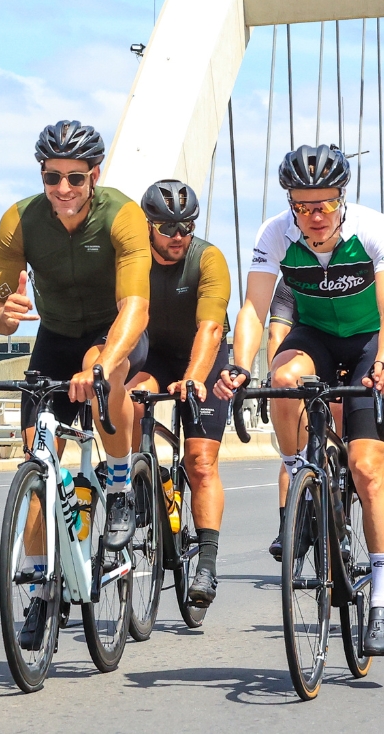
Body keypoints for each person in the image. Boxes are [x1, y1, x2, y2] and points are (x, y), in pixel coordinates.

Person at [214, 144, 384, 656]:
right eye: (303, 206)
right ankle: (300, 472)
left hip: (369, 343)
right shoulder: (275, 234)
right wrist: (238, 364)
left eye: (324, 205)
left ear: (342, 199)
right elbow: (254, 308)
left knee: (367, 470)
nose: (314, 217)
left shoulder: (373, 230)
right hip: (315, 336)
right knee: (284, 375)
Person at [0, 121, 151, 562]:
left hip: (111, 331)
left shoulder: (123, 215)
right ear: (41, 174)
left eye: (75, 177)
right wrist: (6, 315)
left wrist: (100, 366)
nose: (63, 188)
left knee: (103, 369)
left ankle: (118, 487)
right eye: (52, 177)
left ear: (94, 176)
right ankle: (41, 589)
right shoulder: (19, 221)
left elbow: (136, 308)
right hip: (54, 338)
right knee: (38, 467)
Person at [126, 180, 231, 606]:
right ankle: (144, 481)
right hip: (154, 356)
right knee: (131, 399)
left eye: (186, 227)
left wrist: (194, 376)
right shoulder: (131, 260)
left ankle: (206, 563)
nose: (177, 236)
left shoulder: (207, 258)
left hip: (204, 358)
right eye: (167, 228)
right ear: (148, 226)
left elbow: (210, 328)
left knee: (201, 461)